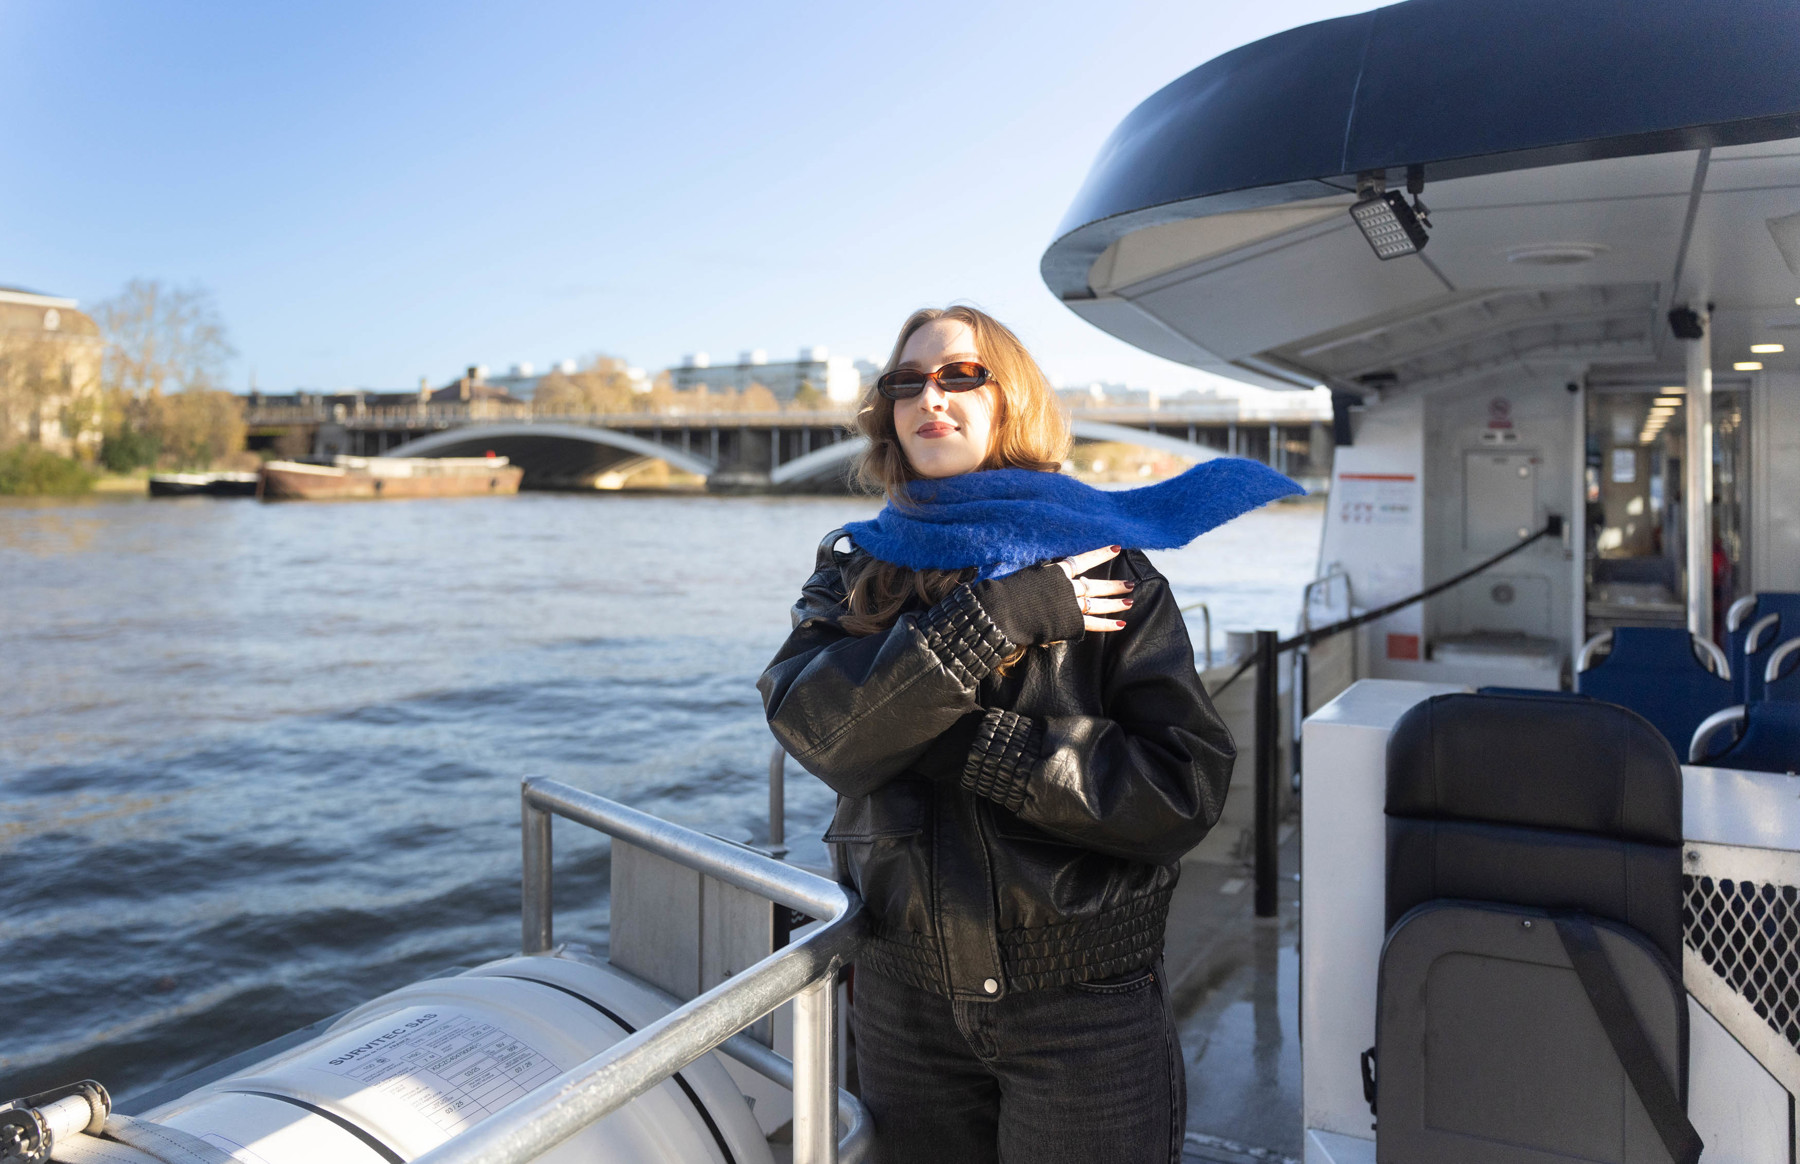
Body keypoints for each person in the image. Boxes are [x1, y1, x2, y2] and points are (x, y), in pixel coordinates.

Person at [758, 306, 1291, 1163]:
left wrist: (970, 745)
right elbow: (814, 729)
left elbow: (1182, 791)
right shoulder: (855, 568)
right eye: (907, 382)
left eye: (961, 375)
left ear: (1013, 400)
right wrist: (1000, 616)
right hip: (903, 1006)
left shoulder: (1107, 569)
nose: (930, 396)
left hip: (1080, 1008)